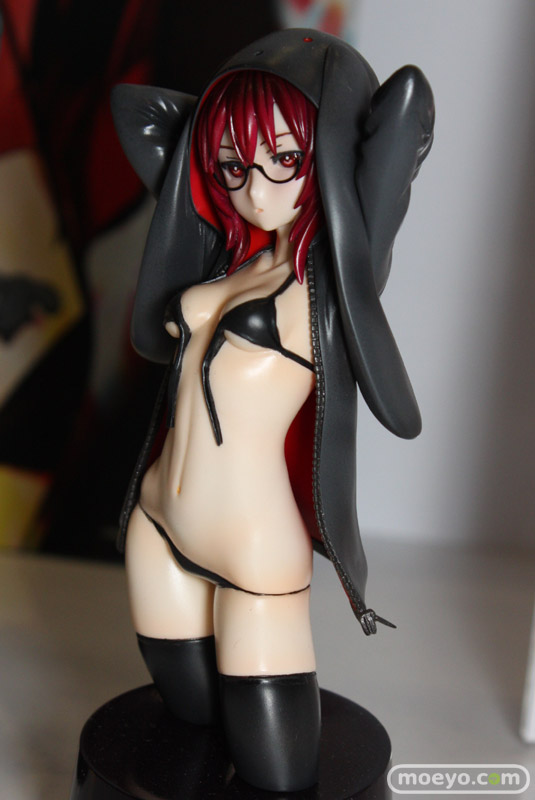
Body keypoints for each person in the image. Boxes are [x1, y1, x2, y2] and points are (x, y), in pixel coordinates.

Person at [112, 28, 434, 792]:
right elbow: (134, 111)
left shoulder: (329, 283)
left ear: (328, 156)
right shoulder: (231, 258)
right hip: (157, 525)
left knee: (278, 775)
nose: (256, 192)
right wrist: (220, 118)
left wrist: (337, 108)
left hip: (253, 553)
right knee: (189, 733)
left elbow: (406, 112)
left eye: (285, 159)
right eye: (233, 167)